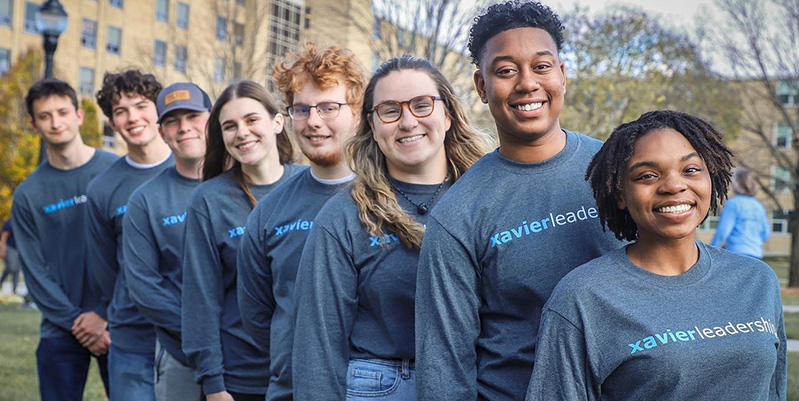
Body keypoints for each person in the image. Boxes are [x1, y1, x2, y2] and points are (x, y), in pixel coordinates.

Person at [414, 1, 623, 399]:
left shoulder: (620, 173)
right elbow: (444, 364)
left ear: (562, 75)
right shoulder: (458, 215)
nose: (527, 83)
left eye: (542, 66)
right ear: (481, 86)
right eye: (506, 70)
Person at [526, 110, 786, 400]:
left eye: (690, 170)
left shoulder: (757, 280)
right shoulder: (583, 298)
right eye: (648, 175)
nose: (674, 186)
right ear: (621, 193)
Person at [292, 55, 489, 400]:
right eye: (390, 110)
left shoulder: (487, 195)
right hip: (384, 385)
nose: (407, 121)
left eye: (421, 105)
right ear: (371, 124)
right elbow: (317, 341)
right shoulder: (344, 216)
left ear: (447, 114)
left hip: (482, 379)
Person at [237, 43, 366, 401]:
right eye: (302, 109)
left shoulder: (387, 199)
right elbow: (258, 316)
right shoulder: (269, 211)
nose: (313, 121)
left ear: (357, 111)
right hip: (291, 389)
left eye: (328, 107)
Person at [182, 80, 303, 401]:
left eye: (252, 120)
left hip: (307, 371)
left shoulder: (309, 186)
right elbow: (200, 299)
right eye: (230, 126)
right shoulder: (208, 200)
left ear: (277, 122)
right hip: (240, 378)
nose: (242, 132)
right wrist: (214, 384)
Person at [12, 78, 116, 401]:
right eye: (45, 116)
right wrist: (78, 323)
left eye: (62, 112)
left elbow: (134, 253)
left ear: (79, 115)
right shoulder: (28, 195)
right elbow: (34, 271)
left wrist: (105, 314)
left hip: (119, 319)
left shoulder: (116, 171)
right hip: (61, 325)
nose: (55, 122)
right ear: (33, 124)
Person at [88, 70, 174, 401]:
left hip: (190, 337)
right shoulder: (102, 188)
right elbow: (106, 269)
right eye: (120, 111)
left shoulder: (196, 169)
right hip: (132, 340)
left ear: (158, 111)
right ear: (112, 121)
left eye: (141, 105)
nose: (132, 117)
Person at [123, 82, 212, 401]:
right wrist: (203, 332)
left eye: (193, 116)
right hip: (180, 354)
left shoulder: (240, 185)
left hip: (249, 353)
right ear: (161, 131)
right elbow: (144, 287)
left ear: (211, 120)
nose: (184, 127)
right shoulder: (145, 200)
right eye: (173, 120)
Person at [710, 167, 770, 258]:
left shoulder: (732, 204)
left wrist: (711, 250)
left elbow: (723, 232)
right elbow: (766, 234)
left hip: (736, 254)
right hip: (756, 255)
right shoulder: (759, 206)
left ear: (736, 184)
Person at [0, 218, 20, 295]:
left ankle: (14, 291)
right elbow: (4, 236)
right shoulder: (9, 222)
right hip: (10, 247)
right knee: (11, 268)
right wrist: (2, 250)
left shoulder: (22, 221)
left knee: (17, 270)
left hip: (20, 249)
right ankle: (1, 281)